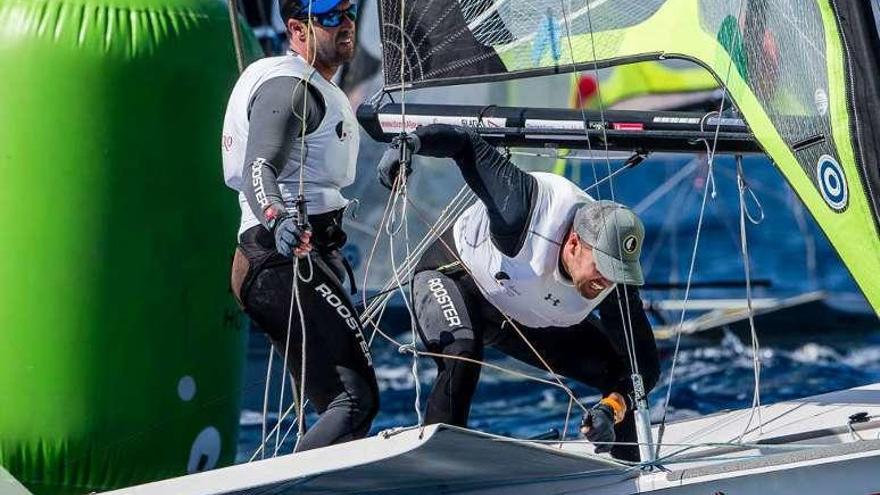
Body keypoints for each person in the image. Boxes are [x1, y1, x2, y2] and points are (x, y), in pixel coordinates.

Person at [377, 124, 660, 461]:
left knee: (617, 369)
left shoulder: (614, 277)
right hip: (452, 278)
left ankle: (632, 473)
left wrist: (610, 408)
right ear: (573, 243)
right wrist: (411, 142)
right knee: (463, 352)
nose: (607, 281)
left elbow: (644, 366)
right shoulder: (521, 207)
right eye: (602, 268)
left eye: (617, 273)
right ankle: (440, 468)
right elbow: (466, 144)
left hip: (518, 310)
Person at [221, 0, 378, 452]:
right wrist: (278, 218)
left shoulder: (317, 86)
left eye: (348, 12)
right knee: (355, 401)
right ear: (297, 29)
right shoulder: (291, 89)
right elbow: (258, 168)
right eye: (330, 17)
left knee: (341, 403)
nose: (345, 24)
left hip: (294, 262)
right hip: (278, 261)